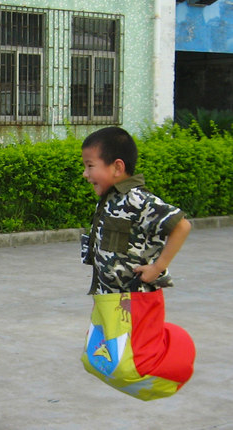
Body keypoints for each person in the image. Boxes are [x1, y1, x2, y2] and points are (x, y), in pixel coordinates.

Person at [80, 126, 195, 400]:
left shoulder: (138, 200)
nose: (85, 174)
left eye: (90, 166)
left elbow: (182, 226)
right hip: (109, 296)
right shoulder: (110, 198)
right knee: (95, 361)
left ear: (117, 167)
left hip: (134, 296)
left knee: (130, 366)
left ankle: (180, 348)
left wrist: (157, 268)